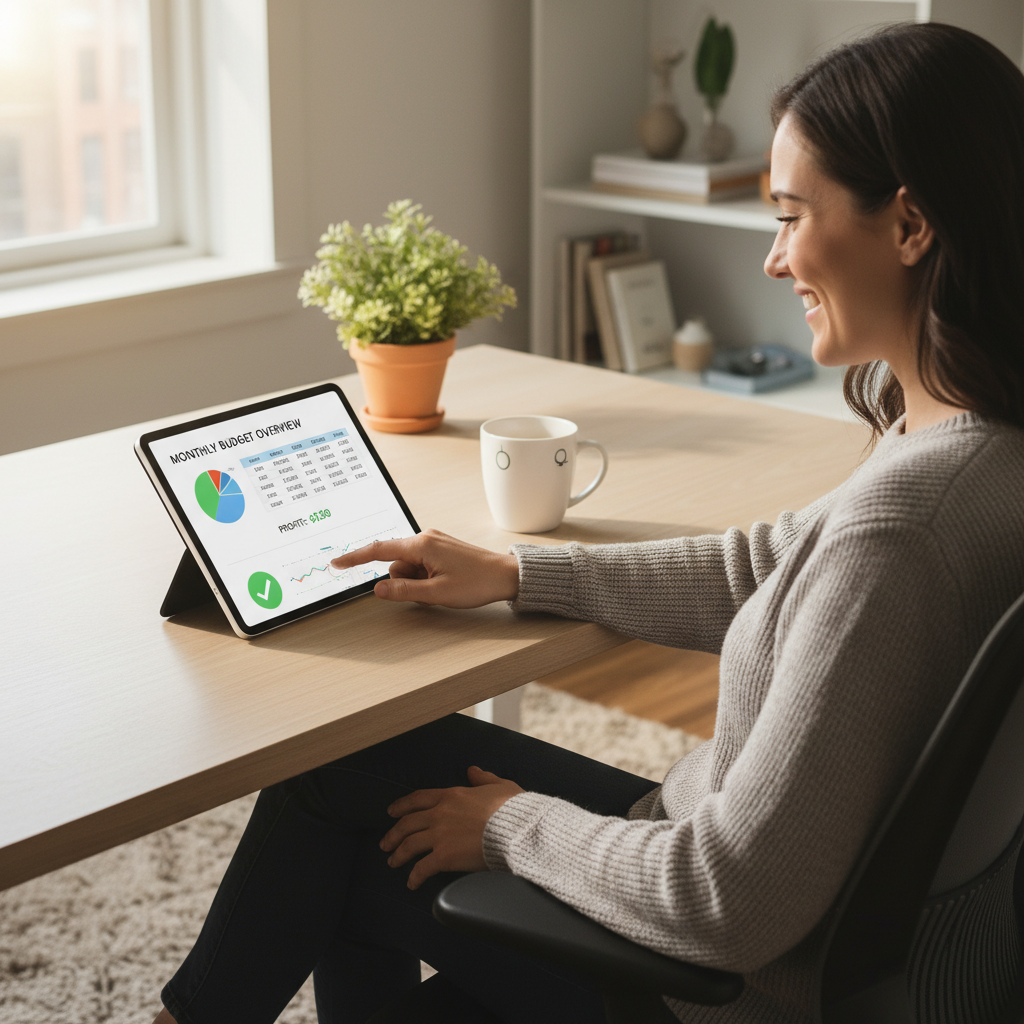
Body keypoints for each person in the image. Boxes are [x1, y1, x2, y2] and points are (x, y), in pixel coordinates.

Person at [153, 22, 1024, 1024]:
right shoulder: (976, 446)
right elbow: (764, 566)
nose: (776, 258)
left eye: (791, 215)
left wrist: (515, 827)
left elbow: (724, 901)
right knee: (352, 794)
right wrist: (517, 575)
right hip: (821, 930)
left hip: (719, 984)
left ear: (910, 226)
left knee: (344, 837)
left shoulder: (902, 529)